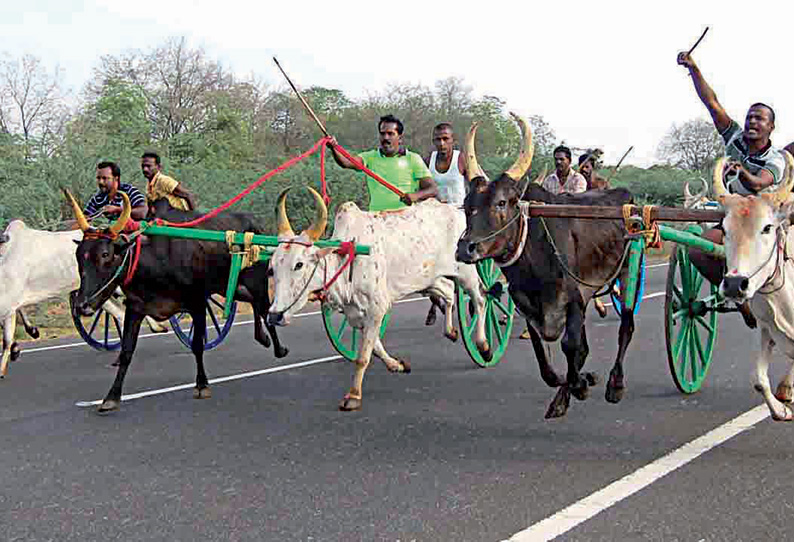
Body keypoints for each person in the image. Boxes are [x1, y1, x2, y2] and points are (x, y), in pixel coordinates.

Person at [677, 50, 787, 328]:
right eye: (750, 117)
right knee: (697, 251)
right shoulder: (735, 138)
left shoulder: (775, 158)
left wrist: (743, 173)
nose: (752, 122)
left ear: (771, 128)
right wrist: (693, 69)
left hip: (761, 219)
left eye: (760, 119)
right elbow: (712, 103)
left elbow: (761, 182)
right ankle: (741, 300)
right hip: (733, 216)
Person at [328, 114, 437, 210]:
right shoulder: (370, 157)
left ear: (400, 138)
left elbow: (432, 189)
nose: (386, 137)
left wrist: (415, 196)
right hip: (376, 220)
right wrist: (334, 147)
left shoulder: (413, 159)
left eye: (390, 134)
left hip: (405, 220)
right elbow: (346, 162)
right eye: (382, 133)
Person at [423, 122, 469, 325]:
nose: (441, 143)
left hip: (458, 216)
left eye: (445, 139)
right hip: (435, 215)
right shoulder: (428, 160)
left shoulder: (462, 159)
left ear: (453, 140)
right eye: (438, 139)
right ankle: (435, 296)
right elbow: (421, 186)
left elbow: (478, 183)